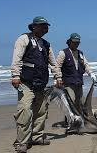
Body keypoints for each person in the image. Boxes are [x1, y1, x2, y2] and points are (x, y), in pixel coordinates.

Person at [11, 16, 62, 153]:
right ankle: (22, 142)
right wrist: (15, 76)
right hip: (26, 83)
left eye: (46, 26)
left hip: (41, 83)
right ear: (34, 27)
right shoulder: (24, 39)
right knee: (25, 111)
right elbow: (17, 58)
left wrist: (58, 77)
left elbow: (53, 63)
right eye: (42, 26)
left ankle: (37, 136)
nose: (45, 28)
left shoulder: (46, 44)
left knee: (41, 111)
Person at [56, 33, 97, 114]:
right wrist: (58, 78)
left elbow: (86, 64)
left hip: (78, 82)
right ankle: (69, 120)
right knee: (71, 102)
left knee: (80, 102)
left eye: (77, 43)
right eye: (74, 42)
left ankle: (79, 119)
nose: (76, 44)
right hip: (68, 83)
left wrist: (91, 73)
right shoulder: (63, 53)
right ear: (70, 42)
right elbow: (57, 66)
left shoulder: (80, 53)